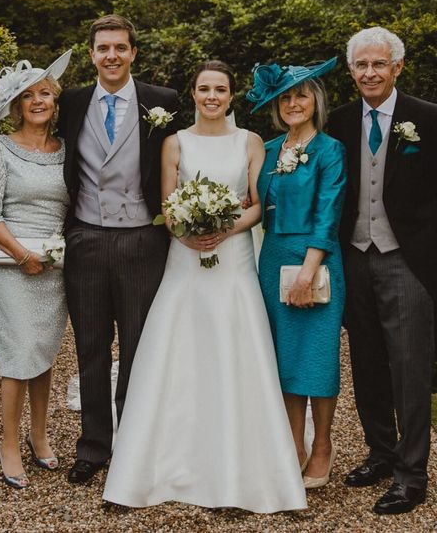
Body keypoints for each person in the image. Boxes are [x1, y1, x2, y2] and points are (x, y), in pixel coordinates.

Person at [103, 61, 306, 512]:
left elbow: (257, 204)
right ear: (192, 94)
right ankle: (151, 470)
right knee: (176, 352)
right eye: (204, 89)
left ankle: (241, 475)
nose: (212, 96)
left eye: (221, 89)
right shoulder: (175, 143)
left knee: (238, 350)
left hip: (232, 260)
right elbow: (168, 204)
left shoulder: (249, 142)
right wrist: (188, 230)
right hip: (185, 259)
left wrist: (226, 228)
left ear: (232, 96)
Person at [57, 15, 182, 484]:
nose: (111, 55)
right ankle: (93, 445)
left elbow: (179, 162)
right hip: (86, 238)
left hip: (142, 240)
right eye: (103, 48)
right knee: (90, 347)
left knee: (137, 346)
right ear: (91, 54)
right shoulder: (71, 103)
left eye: (120, 48)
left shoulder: (162, 102)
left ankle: (133, 441)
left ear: (133, 53)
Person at [327, 26, 437, 515]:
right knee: (366, 361)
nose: (369, 73)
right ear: (351, 71)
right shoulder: (341, 122)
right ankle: (381, 454)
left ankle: (413, 475)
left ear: (397, 67)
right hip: (354, 255)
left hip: (405, 260)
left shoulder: (427, 120)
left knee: (409, 368)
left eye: (378, 64)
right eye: (361, 65)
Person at [247, 58, 347, 491]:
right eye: (285, 96)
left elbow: (329, 213)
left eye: (301, 95)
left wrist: (309, 270)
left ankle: (323, 445)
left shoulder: (330, 150)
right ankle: (294, 444)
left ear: (316, 101)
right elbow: (249, 206)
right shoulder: (265, 151)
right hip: (272, 259)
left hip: (317, 257)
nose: (293, 103)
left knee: (318, 357)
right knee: (283, 357)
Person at [0, 53, 71, 489]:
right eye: (29, 95)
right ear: (17, 105)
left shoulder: (67, 149)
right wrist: (21, 255)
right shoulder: (0, 147)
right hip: (11, 263)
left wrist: (52, 255)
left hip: (53, 266)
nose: (38, 101)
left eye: (45, 93)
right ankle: (9, 443)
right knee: (16, 357)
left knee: (45, 351)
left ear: (55, 101)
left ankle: (40, 434)